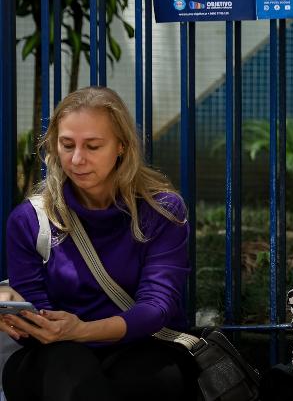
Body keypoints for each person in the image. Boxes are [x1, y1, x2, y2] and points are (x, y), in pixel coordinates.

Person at [0, 87, 195, 401]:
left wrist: (82, 330)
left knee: (154, 380)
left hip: (142, 344)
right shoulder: (30, 219)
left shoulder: (162, 211)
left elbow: (157, 307)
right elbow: (36, 312)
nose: (77, 159)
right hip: (55, 353)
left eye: (92, 146)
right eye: (66, 145)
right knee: (72, 375)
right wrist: (21, 318)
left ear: (121, 146)